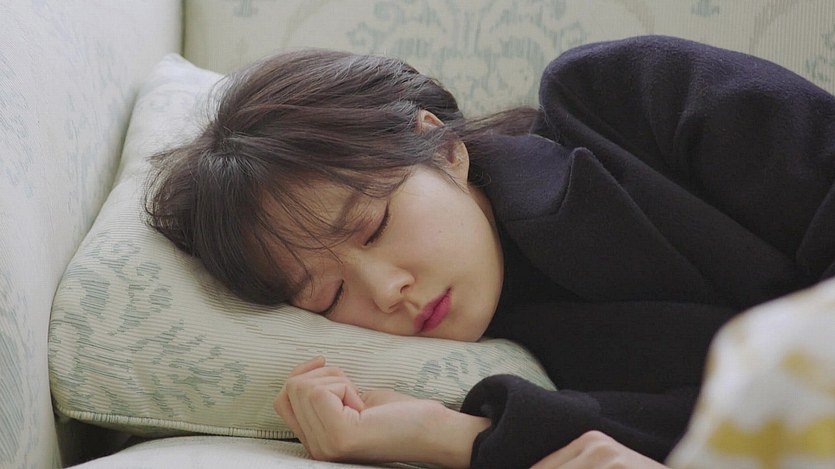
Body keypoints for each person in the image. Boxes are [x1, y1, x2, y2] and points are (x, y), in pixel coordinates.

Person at [144, 35, 835, 468]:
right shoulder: (509, 357)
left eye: (373, 226)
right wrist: (452, 435)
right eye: (328, 296)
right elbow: (695, 430)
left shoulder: (619, 96)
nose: (384, 290)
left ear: (444, 148)